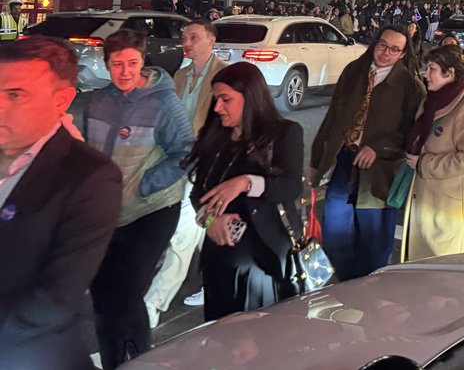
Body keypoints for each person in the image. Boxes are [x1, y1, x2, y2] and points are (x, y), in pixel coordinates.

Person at [0, 36, 123, 370]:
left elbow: (55, 299)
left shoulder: (90, 178)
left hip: (29, 356)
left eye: (15, 95)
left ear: (62, 100)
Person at [83, 29, 193, 368]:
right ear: (106, 64)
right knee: (102, 295)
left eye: (132, 63)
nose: (125, 71)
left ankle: (130, 359)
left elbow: (186, 152)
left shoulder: (163, 102)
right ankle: (127, 357)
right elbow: (90, 153)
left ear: (143, 61)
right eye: (117, 64)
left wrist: (145, 184)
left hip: (152, 210)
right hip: (109, 213)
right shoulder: (98, 101)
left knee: (126, 292)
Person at [183, 62, 303, 320]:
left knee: (257, 337)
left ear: (250, 98)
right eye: (216, 99)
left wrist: (246, 182)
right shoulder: (215, 136)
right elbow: (198, 195)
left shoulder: (284, 134)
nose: (218, 108)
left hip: (264, 258)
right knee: (219, 333)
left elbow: (292, 186)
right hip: (221, 255)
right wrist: (211, 219)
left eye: (226, 99)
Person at [308, 25, 424, 280]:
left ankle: (370, 292)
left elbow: (415, 133)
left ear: (404, 54)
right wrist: (316, 161)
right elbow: (332, 118)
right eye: (383, 45)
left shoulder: (410, 86)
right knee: (335, 228)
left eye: (395, 50)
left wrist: (380, 148)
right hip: (345, 160)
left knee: (374, 240)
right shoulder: (354, 72)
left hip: (380, 173)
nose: (386, 53)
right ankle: (347, 285)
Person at [144, 20, 227, 324]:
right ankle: (218, 281)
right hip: (177, 166)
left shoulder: (224, 76)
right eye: (184, 37)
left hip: (208, 169)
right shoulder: (178, 76)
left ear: (211, 40)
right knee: (205, 228)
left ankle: (154, 303)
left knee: (183, 233)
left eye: (194, 37)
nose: (186, 42)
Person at [400, 46, 464, 261]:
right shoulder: (430, 102)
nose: (425, 74)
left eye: (432, 69)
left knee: (443, 274)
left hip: (447, 206)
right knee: (420, 267)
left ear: (450, 73)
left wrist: (423, 164)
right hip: (423, 197)